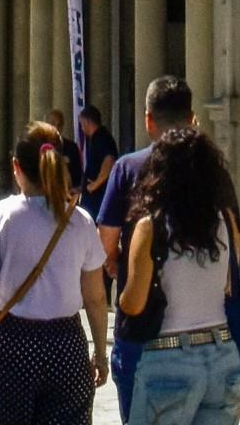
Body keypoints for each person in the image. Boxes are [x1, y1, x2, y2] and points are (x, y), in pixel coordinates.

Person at [0, 122, 109, 424]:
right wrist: (99, 353)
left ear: (16, 167)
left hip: (11, 346)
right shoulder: (81, 221)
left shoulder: (0, 216)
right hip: (67, 347)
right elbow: (96, 297)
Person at [117, 127, 240, 424]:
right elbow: (227, 284)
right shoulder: (224, 219)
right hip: (222, 353)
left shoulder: (151, 225)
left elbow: (133, 304)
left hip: (169, 356)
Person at [95, 75, 197, 422]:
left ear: (148, 119)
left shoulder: (128, 168)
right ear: (192, 117)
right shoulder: (211, 170)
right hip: (203, 329)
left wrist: (115, 261)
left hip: (144, 326)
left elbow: (105, 241)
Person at [75, 106, 118, 217]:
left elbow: (109, 160)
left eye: (82, 124)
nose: (82, 128)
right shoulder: (94, 139)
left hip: (98, 199)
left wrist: (95, 184)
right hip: (92, 199)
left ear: (87, 122)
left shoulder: (101, 137)